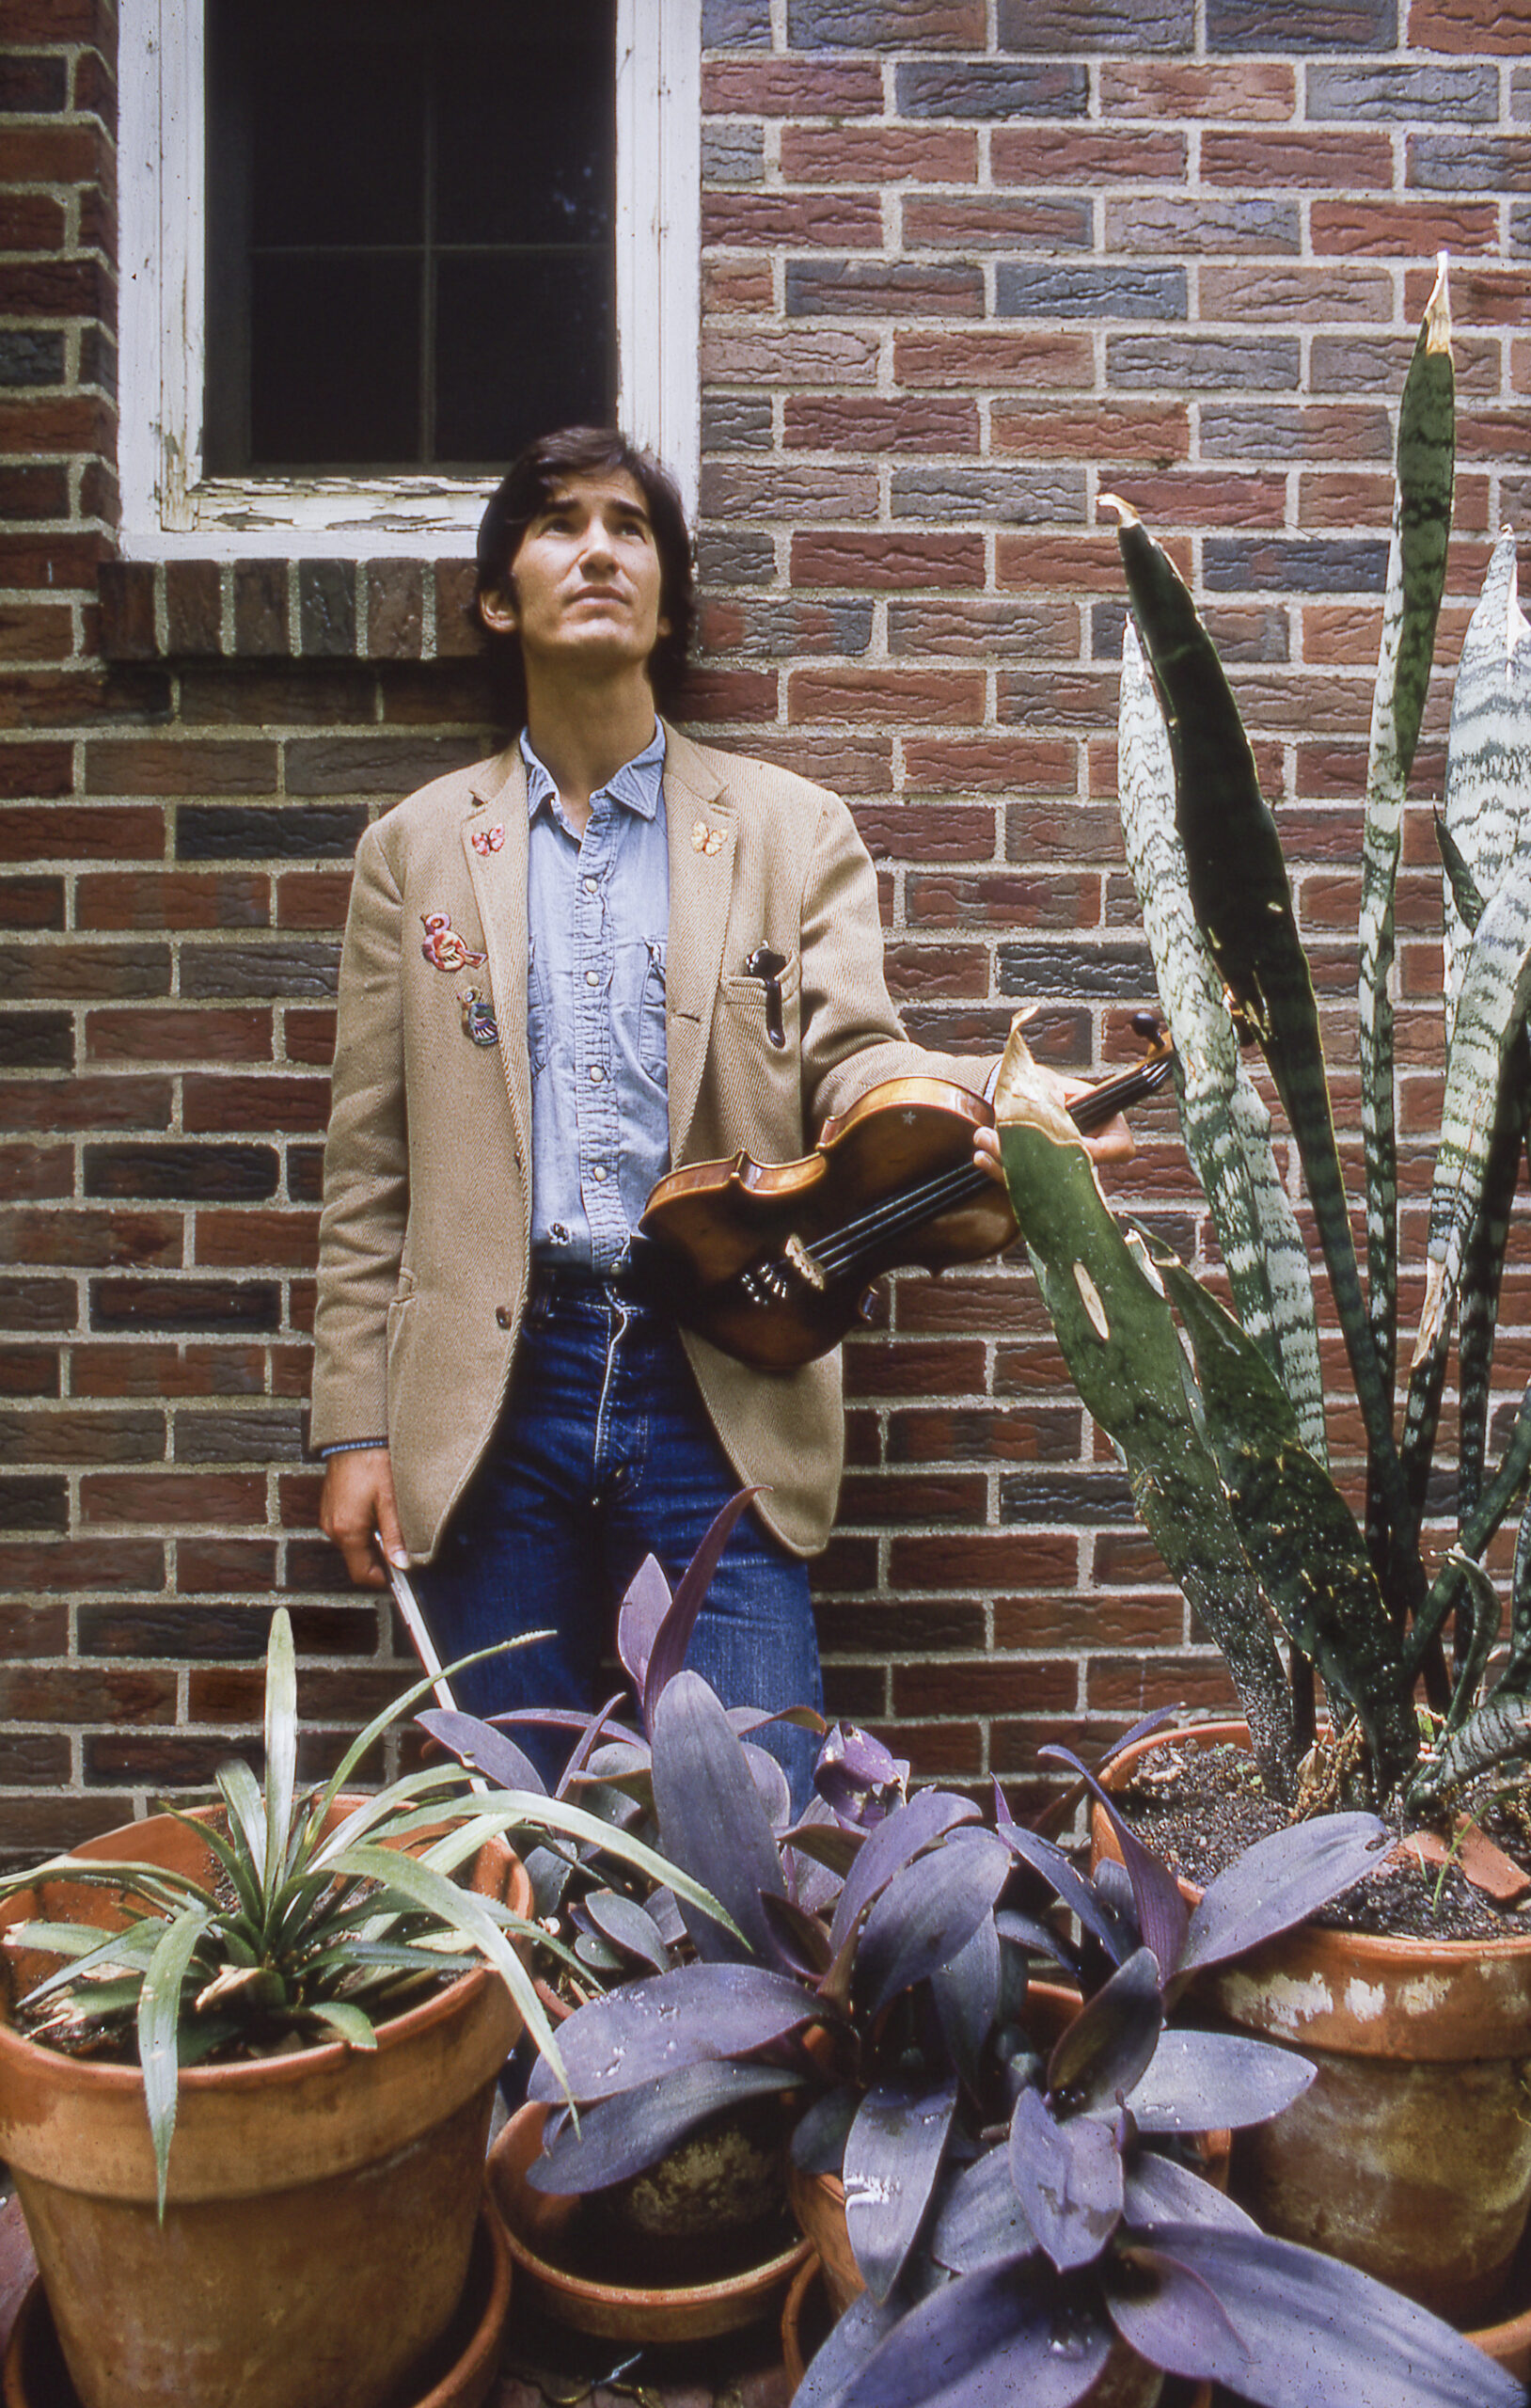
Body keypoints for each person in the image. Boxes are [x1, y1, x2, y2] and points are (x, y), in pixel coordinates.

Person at [310, 426, 1126, 1798]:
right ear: (500, 596)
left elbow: (857, 1062)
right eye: (559, 522)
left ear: (670, 602)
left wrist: (983, 1113)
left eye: (631, 528)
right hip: (486, 1403)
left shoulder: (789, 831)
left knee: (759, 1835)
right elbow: (368, 1170)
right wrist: (355, 1430)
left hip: (722, 1368)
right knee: (520, 1837)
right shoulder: (413, 851)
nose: (598, 549)